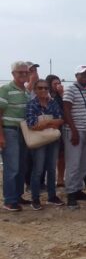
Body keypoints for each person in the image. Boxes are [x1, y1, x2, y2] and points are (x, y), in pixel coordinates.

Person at [25, 79, 64, 209]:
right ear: (35, 90)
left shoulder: (53, 103)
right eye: (40, 88)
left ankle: (52, 196)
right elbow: (32, 124)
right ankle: (35, 199)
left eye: (46, 88)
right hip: (39, 141)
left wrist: (44, 123)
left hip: (52, 140)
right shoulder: (31, 104)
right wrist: (49, 122)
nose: (43, 90)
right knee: (38, 170)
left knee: (52, 169)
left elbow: (60, 120)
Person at [63, 65, 86, 208]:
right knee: (73, 164)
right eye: (83, 75)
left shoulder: (85, 91)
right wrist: (73, 130)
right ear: (76, 75)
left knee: (85, 162)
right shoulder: (70, 89)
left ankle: (77, 189)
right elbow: (66, 109)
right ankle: (70, 194)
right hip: (74, 131)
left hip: (85, 131)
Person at [0, 61, 30, 211]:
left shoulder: (26, 92)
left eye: (26, 72)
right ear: (13, 74)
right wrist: (1, 136)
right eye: (20, 72)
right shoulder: (5, 89)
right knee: (12, 167)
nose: (24, 74)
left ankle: (17, 196)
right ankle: (9, 200)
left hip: (23, 132)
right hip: (10, 130)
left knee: (21, 166)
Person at [46, 74, 65, 187]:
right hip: (48, 127)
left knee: (62, 154)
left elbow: (67, 108)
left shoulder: (61, 96)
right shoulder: (46, 96)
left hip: (61, 128)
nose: (58, 86)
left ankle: (60, 178)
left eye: (59, 83)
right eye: (55, 84)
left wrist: (62, 94)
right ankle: (49, 178)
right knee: (50, 154)